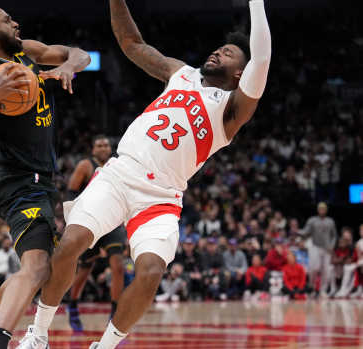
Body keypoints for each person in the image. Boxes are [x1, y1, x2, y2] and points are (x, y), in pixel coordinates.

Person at [20, 0, 271, 347]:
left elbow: (261, 58)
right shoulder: (181, 73)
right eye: (219, 48)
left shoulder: (233, 110)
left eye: (227, 54)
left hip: (162, 197)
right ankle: (39, 333)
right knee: (71, 243)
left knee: (151, 272)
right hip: (121, 174)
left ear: (241, 73)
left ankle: (104, 346)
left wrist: (256, 2)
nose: (217, 53)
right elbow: (132, 44)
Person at [0, 5, 90, 349]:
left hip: (43, 182)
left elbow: (79, 53)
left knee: (44, 266)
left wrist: (69, 66)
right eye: (6, 20)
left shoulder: (27, 51)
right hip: (19, 182)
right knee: (38, 265)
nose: (15, 23)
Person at [65, 135, 126, 331]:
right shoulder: (85, 165)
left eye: (106, 145)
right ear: (93, 149)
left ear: (110, 148)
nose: (102, 148)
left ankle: (115, 313)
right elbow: (71, 192)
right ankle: (72, 304)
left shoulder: (118, 165)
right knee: (84, 270)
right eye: (98, 145)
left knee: (118, 265)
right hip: (90, 221)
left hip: (112, 222)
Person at [301, 202, 337, 297]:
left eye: (324, 208)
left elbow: (334, 236)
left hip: (327, 249)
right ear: (318, 210)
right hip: (315, 247)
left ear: (326, 210)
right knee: (314, 268)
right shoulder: (312, 220)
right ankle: (311, 288)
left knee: (326, 270)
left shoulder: (330, 221)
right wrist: (297, 232)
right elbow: (306, 231)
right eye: (320, 208)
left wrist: (332, 246)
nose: (322, 210)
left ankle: (322, 290)